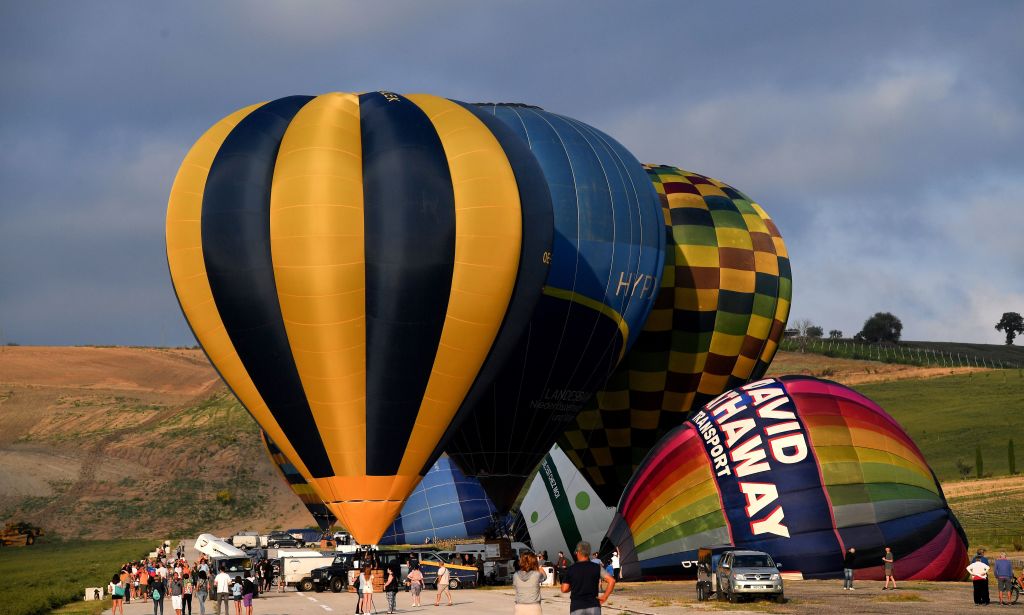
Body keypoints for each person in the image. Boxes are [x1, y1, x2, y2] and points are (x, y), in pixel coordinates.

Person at [561, 541, 615, 615]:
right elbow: (612, 581)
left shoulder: (571, 569)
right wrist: (605, 596)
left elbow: (564, 589)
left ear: (578, 552)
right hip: (594, 606)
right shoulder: (597, 567)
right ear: (588, 553)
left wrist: (573, 586)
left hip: (577, 607)